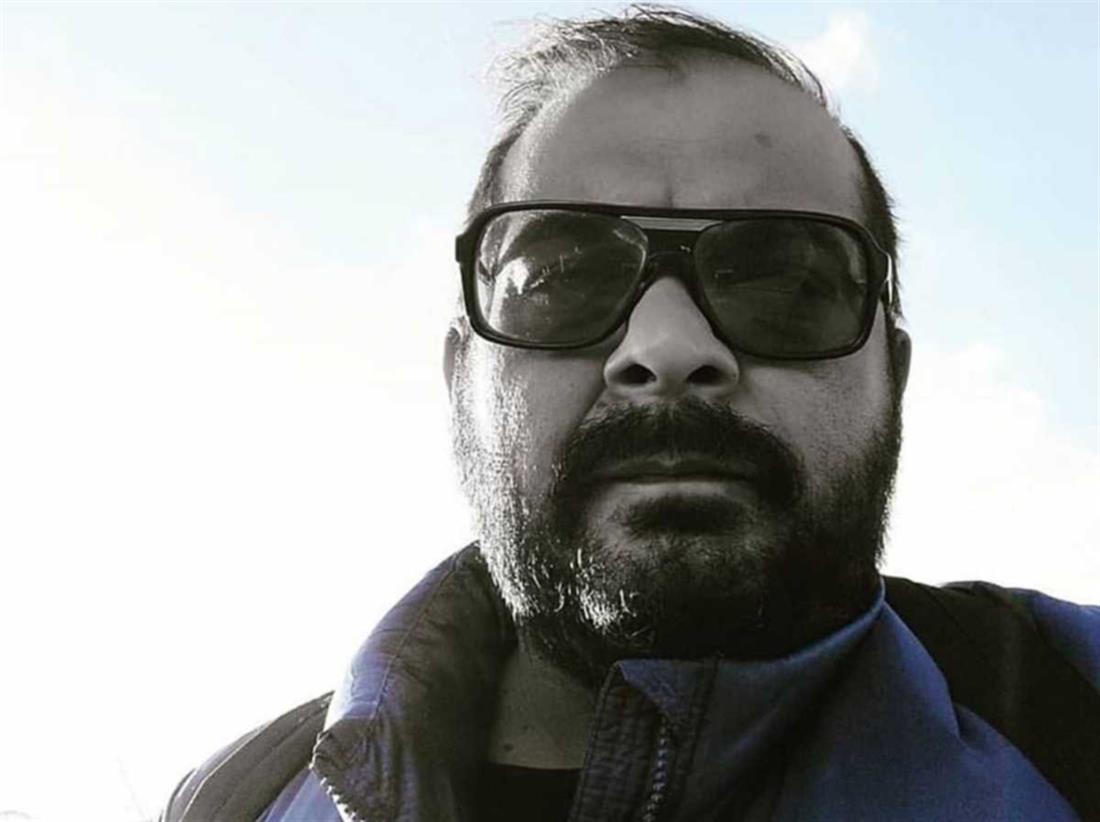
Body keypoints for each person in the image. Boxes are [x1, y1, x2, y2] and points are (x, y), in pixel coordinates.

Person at [160, 6, 1100, 821]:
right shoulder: (235, 798)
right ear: (461, 378)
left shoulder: (1072, 705)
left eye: (787, 282)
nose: (668, 348)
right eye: (560, 277)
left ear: (891, 376)